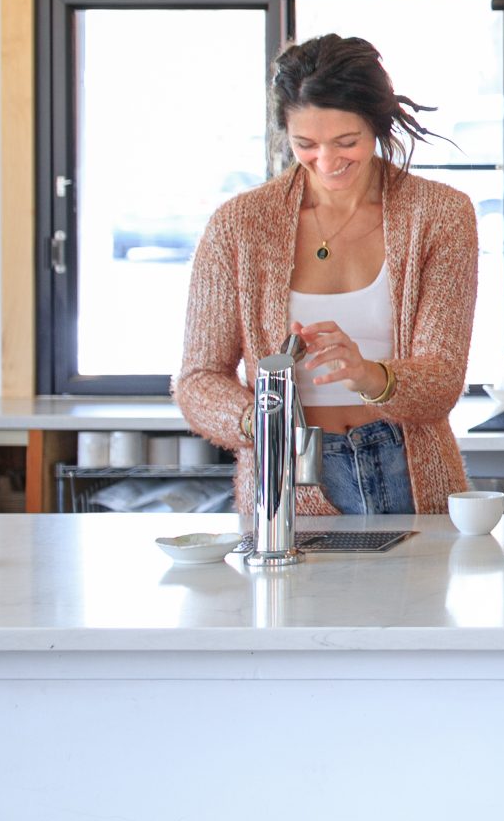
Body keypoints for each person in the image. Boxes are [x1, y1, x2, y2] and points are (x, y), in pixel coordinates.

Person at [175, 35, 480, 516]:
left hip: (409, 471)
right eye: (306, 144)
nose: (327, 161)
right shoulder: (238, 225)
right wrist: (260, 422)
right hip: (286, 483)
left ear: (376, 125)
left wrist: (367, 374)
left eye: (346, 142)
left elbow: (442, 380)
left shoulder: (441, 215)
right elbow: (198, 379)